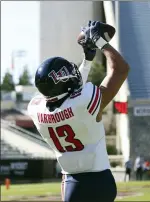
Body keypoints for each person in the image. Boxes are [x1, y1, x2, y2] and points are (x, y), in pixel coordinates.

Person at [27, 20, 129, 202]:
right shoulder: (83, 102)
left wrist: (87, 61)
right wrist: (100, 42)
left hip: (71, 183)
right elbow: (120, 70)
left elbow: (66, 94)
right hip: (100, 182)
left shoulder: (36, 109)